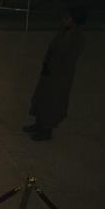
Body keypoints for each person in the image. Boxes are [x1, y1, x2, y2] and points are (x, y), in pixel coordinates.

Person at [24, 8, 86, 141]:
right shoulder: (64, 32)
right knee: (42, 97)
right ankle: (39, 124)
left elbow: (67, 57)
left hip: (59, 76)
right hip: (50, 71)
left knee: (53, 102)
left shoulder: (76, 37)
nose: (64, 20)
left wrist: (54, 68)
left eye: (68, 18)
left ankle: (46, 129)